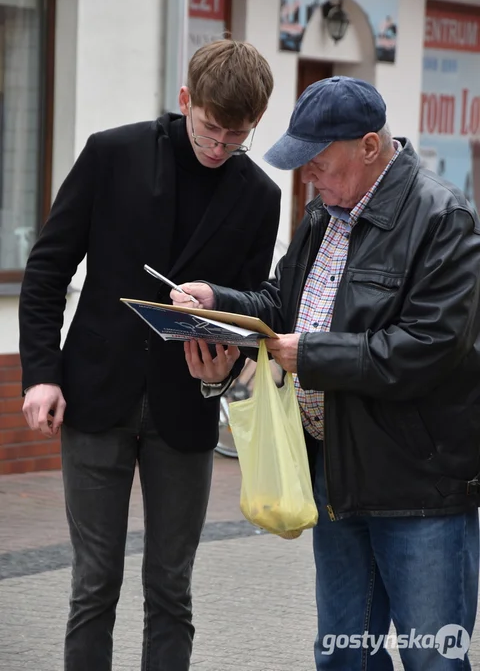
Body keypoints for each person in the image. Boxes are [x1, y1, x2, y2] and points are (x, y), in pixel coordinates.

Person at [171, 76, 480, 670]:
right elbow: (280, 304)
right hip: (336, 478)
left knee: (433, 660)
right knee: (341, 657)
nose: (307, 177)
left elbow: (428, 347)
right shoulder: (324, 215)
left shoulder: (445, 218)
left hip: (420, 488)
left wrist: (311, 355)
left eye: (317, 163)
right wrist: (218, 303)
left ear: (369, 146)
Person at [19, 39, 281, 671]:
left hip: (186, 410)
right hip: (94, 395)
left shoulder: (260, 196)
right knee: (93, 585)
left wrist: (226, 337)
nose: (219, 148)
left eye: (236, 137)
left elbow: (262, 305)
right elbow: (47, 270)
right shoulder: (114, 154)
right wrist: (41, 377)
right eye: (210, 129)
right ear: (186, 100)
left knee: (170, 589)